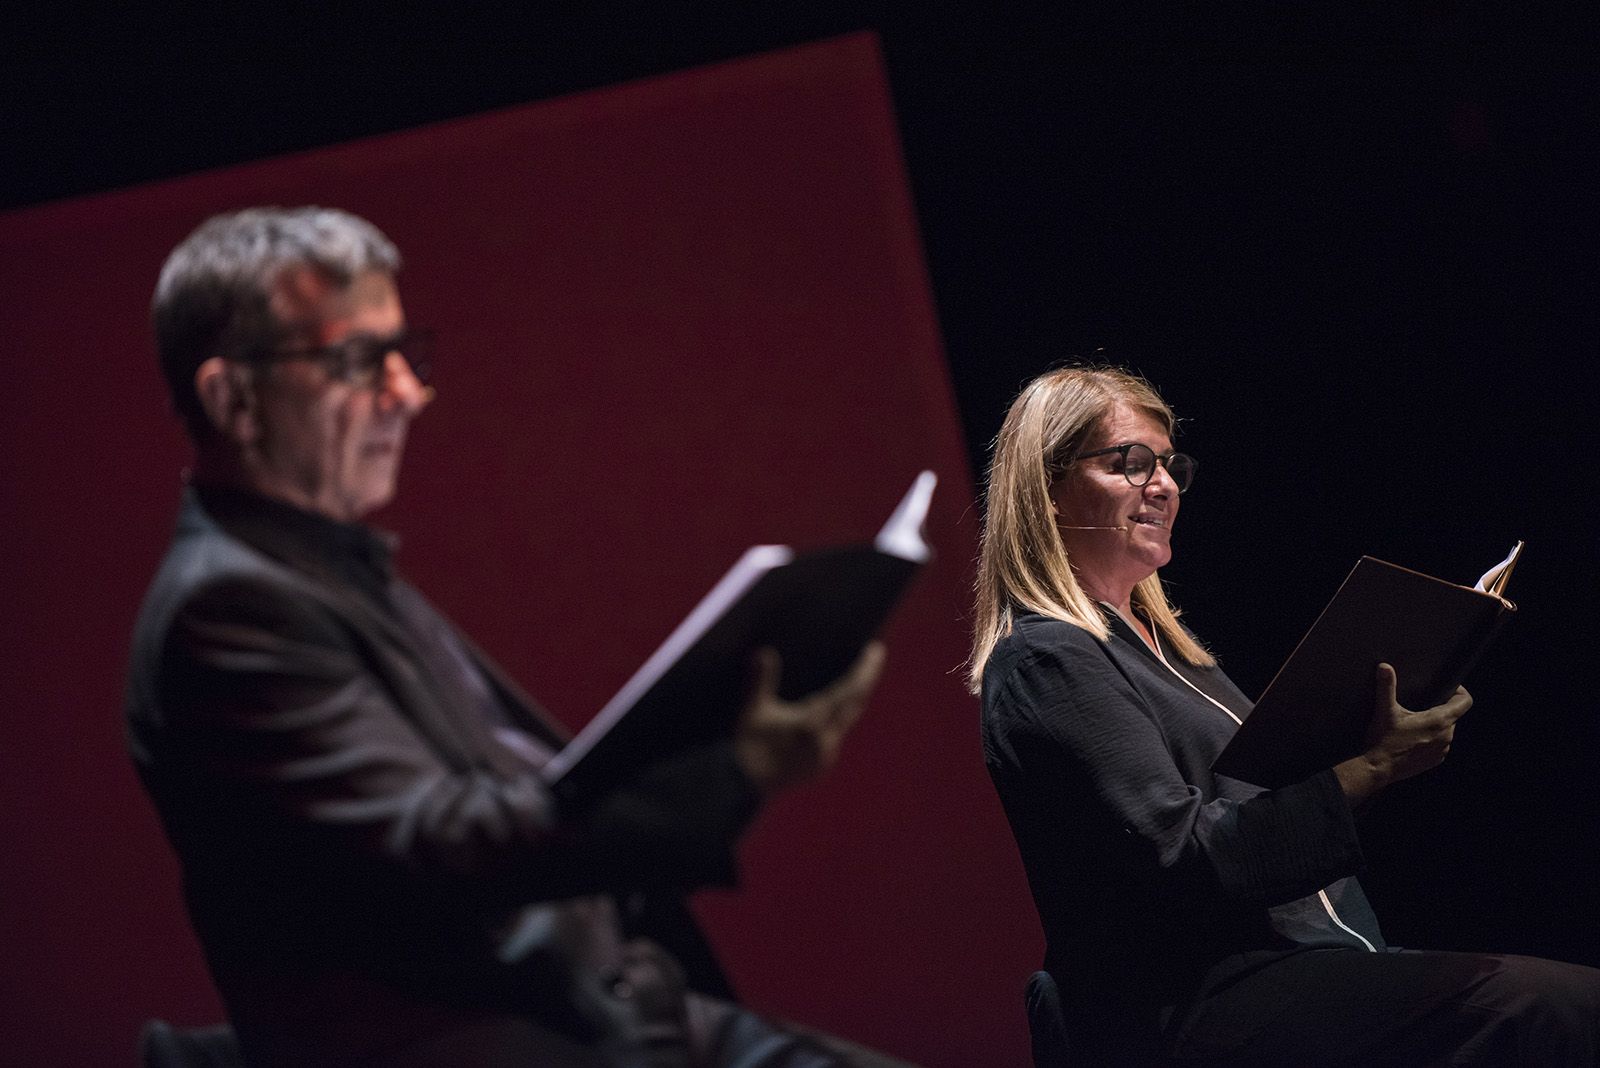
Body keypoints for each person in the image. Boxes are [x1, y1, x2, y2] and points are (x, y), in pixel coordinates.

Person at [126, 206, 903, 1068]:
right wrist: (735, 773)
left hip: (605, 1010)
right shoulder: (228, 605)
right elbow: (441, 843)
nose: (408, 394)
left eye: (405, 354)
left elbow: (517, 787)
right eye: (355, 361)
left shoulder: (315, 566)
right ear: (232, 398)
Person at [969, 365, 1600, 1066]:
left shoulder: (1176, 658)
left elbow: (1266, 806)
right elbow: (1182, 862)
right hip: (1203, 1005)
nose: (1165, 484)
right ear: (1049, 491)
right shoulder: (1048, 658)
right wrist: (1373, 767)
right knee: (1550, 1010)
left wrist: (1380, 724)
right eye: (1131, 462)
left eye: (1170, 464)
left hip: (1308, 967)